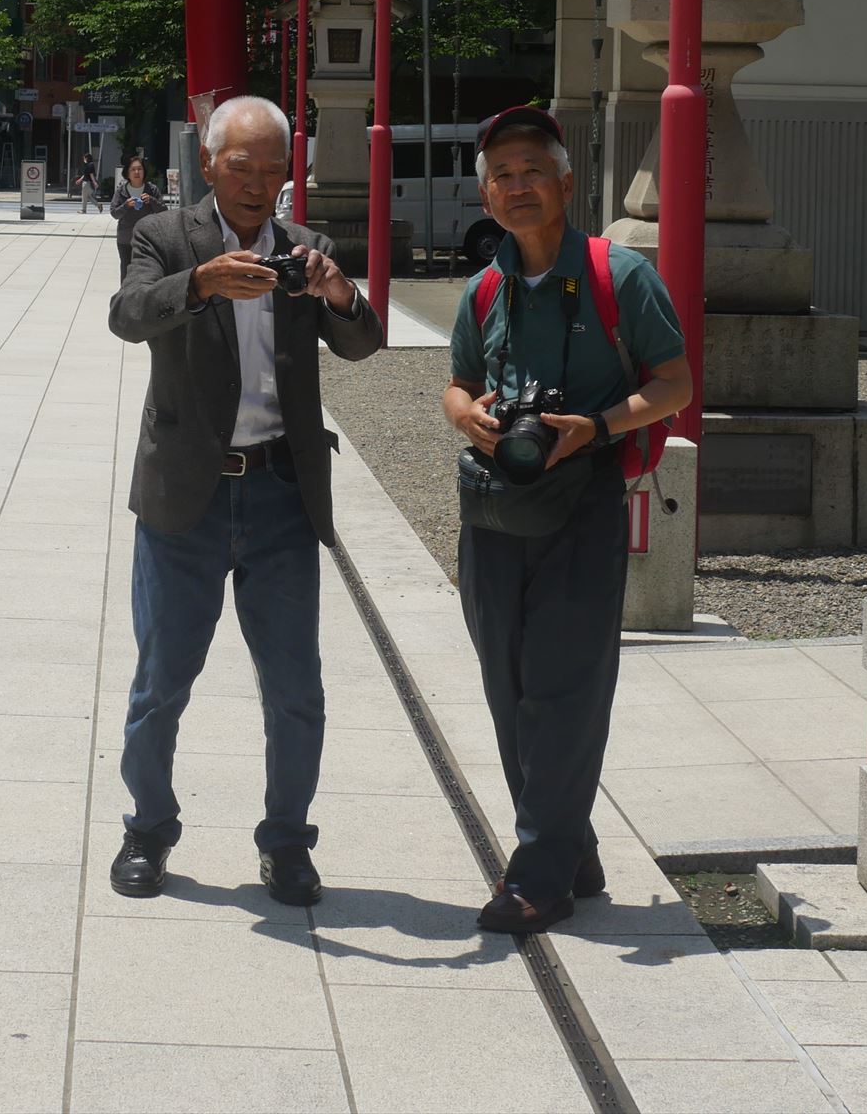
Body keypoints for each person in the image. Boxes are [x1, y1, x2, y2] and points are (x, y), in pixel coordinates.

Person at [107, 96, 384, 906]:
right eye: (243, 167)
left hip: (280, 495)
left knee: (296, 686)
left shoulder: (306, 247)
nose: (260, 184)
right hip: (186, 495)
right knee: (163, 677)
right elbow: (127, 316)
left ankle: (288, 842)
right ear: (208, 165)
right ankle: (147, 830)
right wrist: (199, 285)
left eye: (274, 169)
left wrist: (337, 293)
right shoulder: (163, 236)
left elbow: (365, 344)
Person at [443, 107, 693, 934]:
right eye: (502, 176)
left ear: (564, 183)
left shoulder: (619, 276)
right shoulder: (486, 286)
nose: (517, 187)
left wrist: (601, 427)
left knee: (564, 688)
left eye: (530, 171)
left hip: (582, 504)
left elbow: (674, 383)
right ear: (486, 195)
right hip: (492, 507)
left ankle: (538, 875)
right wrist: (468, 416)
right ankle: (570, 847)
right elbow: (455, 382)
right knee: (506, 687)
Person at [107, 154, 166, 272]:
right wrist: (126, 206)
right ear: (127, 173)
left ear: (144, 172)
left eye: (140, 169)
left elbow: (164, 211)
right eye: (133, 169)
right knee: (126, 270)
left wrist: (152, 201)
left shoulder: (152, 189)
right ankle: (126, 291)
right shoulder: (121, 191)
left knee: (145, 272)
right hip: (126, 239)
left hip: (147, 239)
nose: (137, 172)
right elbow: (114, 213)